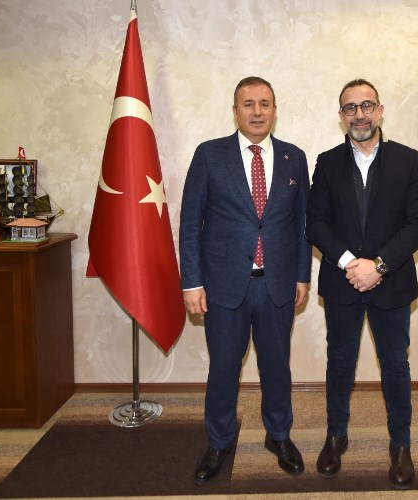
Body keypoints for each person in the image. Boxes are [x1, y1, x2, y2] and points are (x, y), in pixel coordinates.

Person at [179, 76, 312, 485]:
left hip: (277, 285)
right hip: (222, 286)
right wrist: (191, 282)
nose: (257, 112)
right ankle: (219, 441)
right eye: (248, 104)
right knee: (223, 368)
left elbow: (303, 224)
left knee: (277, 366)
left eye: (265, 103)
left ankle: (279, 436)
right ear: (235, 111)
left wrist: (302, 276)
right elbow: (190, 222)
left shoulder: (294, 158)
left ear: (275, 110)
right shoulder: (209, 155)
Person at [306, 79, 418, 490]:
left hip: (391, 283)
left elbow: (416, 224)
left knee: (395, 364)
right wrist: (349, 263)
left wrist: (378, 266)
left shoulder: (408, 160)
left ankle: (401, 444)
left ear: (380, 110)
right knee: (340, 362)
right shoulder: (326, 163)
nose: (359, 115)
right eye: (350, 108)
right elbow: (316, 223)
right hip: (342, 282)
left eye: (366, 106)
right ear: (341, 115)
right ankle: (335, 436)